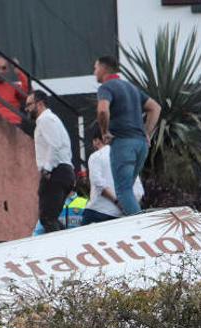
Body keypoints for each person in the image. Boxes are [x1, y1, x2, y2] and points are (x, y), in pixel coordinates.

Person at [94, 55, 161, 216]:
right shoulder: (132, 88)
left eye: (95, 68)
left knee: (123, 190)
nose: (94, 72)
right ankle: (135, 221)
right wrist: (147, 133)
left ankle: (140, 225)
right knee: (127, 190)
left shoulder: (106, 87)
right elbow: (155, 108)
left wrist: (104, 132)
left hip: (123, 143)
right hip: (141, 145)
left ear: (103, 68)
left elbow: (102, 110)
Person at [26, 90, 75, 234]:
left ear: (40, 104)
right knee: (49, 217)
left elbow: (55, 145)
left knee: (47, 218)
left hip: (56, 171)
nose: (27, 109)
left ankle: (66, 244)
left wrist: (47, 169)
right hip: (63, 171)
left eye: (29, 104)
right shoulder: (50, 120)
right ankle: (67, 240)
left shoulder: (45, 119)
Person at [83, 126, 144, 225]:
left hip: (98, 211)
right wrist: (125, 205)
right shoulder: (127, 158)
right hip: (121, 216)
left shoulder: (96, 156)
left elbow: (98, 183)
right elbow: (139, 191)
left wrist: (116, 201)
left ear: (97, 140)